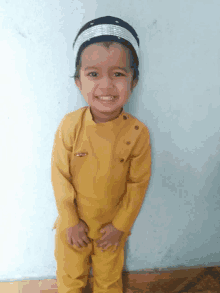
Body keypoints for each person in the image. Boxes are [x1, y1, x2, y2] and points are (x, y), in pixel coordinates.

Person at [51, 15, 151, 293]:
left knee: (109, 282)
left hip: (111, 231)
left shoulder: (137, 133)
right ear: (78, 82)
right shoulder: (70, 125)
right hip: (71, 229)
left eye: (118, 73)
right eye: (93, 74)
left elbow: (137, 185)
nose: (106, 86)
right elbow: (59, 176)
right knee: (70, 280)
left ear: (133, 81)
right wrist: (70, 221)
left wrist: (120, 226)